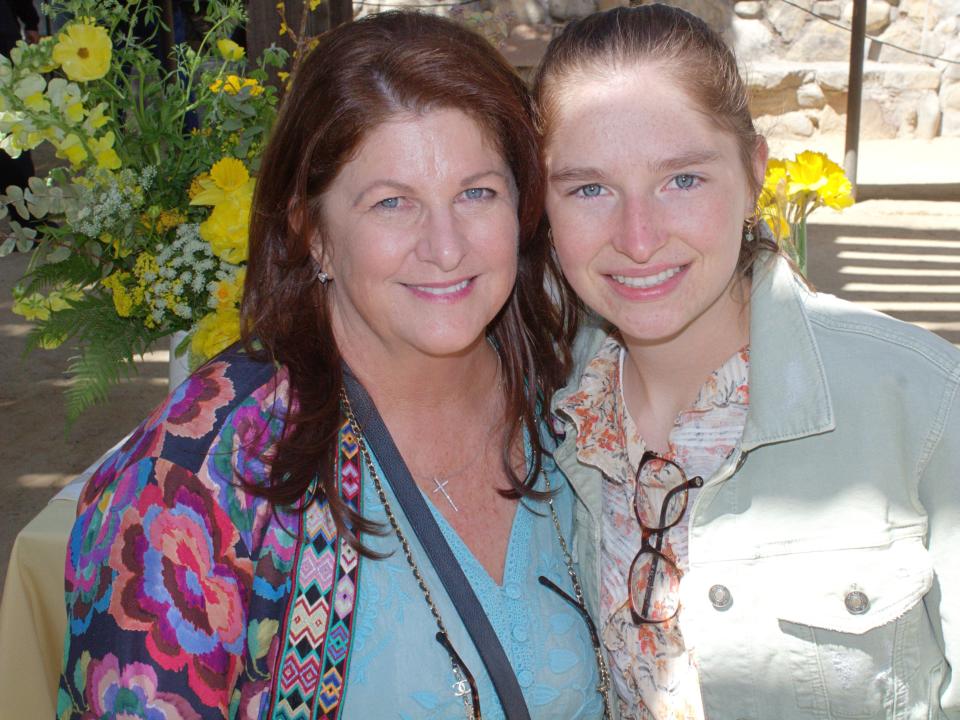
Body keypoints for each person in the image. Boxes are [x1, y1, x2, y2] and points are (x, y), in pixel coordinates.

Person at [59, 12, 609, 719]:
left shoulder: (572, 395)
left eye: (477, 193)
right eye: (391, 203)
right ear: (312, 232)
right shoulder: (191, 483)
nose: (446, 247)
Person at [534, 5, 960, 719]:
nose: (638, 238)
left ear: (754, 171)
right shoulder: (540, 405)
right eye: (590, 189)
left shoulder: (922, 403)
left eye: (684, 180)